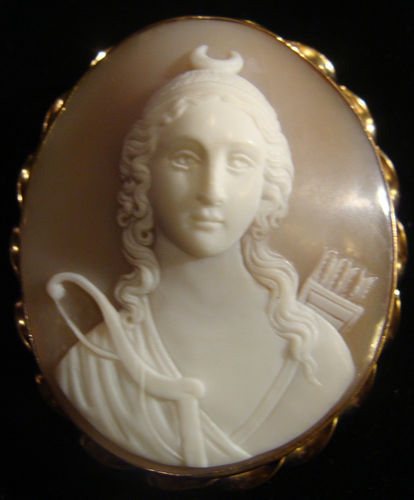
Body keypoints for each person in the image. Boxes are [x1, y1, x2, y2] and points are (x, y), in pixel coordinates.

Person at [47, 46, 355, 467]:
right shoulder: (92, 370)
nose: (212, 190)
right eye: (185, 158)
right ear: (144, 177)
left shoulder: (320, 357)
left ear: (268, 187)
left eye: (239, 161)